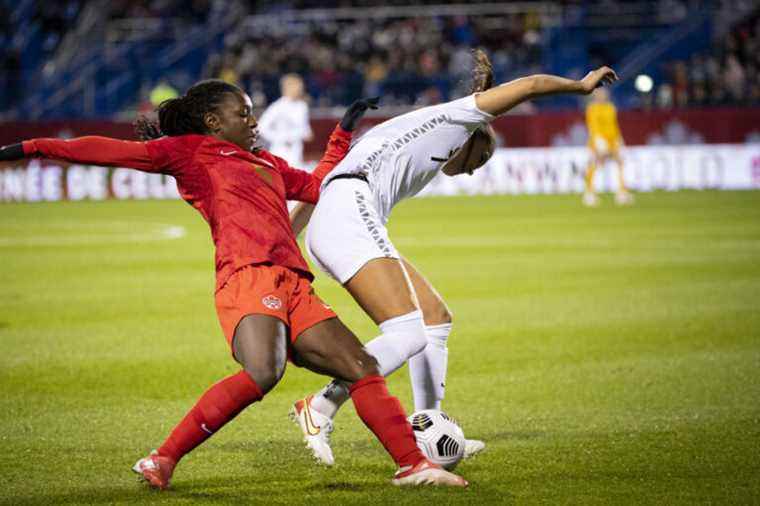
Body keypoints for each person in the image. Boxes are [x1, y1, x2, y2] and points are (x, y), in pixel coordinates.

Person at [0, 80, 467, 489]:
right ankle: (162, 458)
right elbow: (108, 150)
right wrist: (31, 147)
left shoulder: (266, 162)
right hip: (246, 276)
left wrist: (341, 135)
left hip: (294, 282)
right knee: (264, 372)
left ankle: (413, 465)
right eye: (242, 113)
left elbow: (317, 186)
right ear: (212, 120)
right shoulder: (188, 152)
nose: (253, 121)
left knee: (361, 366)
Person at [289, 50, 619, 466]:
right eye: (479, 160)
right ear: (474, 136)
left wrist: (288, 235)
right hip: (349, 214)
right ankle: (319, 408)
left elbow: (321, 183)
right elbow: (530, 86)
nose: (472, 171)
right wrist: (580, 86)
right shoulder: (457, 118)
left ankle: (429, 422)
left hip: (342, 214)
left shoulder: (415, 129)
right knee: (407, 334)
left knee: (435, 317)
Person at [583, 87, 633, 206]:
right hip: (598, 141)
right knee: (594, 164)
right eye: (600, 94)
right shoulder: (592, 109)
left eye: (604, 94)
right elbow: (593, 127)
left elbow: (614, 125)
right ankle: (589, 193)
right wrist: (600, 142)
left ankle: (622, 192)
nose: (602, 96)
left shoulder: (610, 108)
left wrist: (619, 139)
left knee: (620, 163)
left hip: (612, 141)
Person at [258, 74, 313, 167]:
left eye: (300, 87)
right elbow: (261, 127)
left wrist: (306, 133)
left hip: (297, 152)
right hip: (280, 152)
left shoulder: (302, 106)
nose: (299, 90)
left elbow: (305, 130)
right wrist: (280, 138)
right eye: (297, 86)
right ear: (287, 87)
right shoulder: (277, 106)